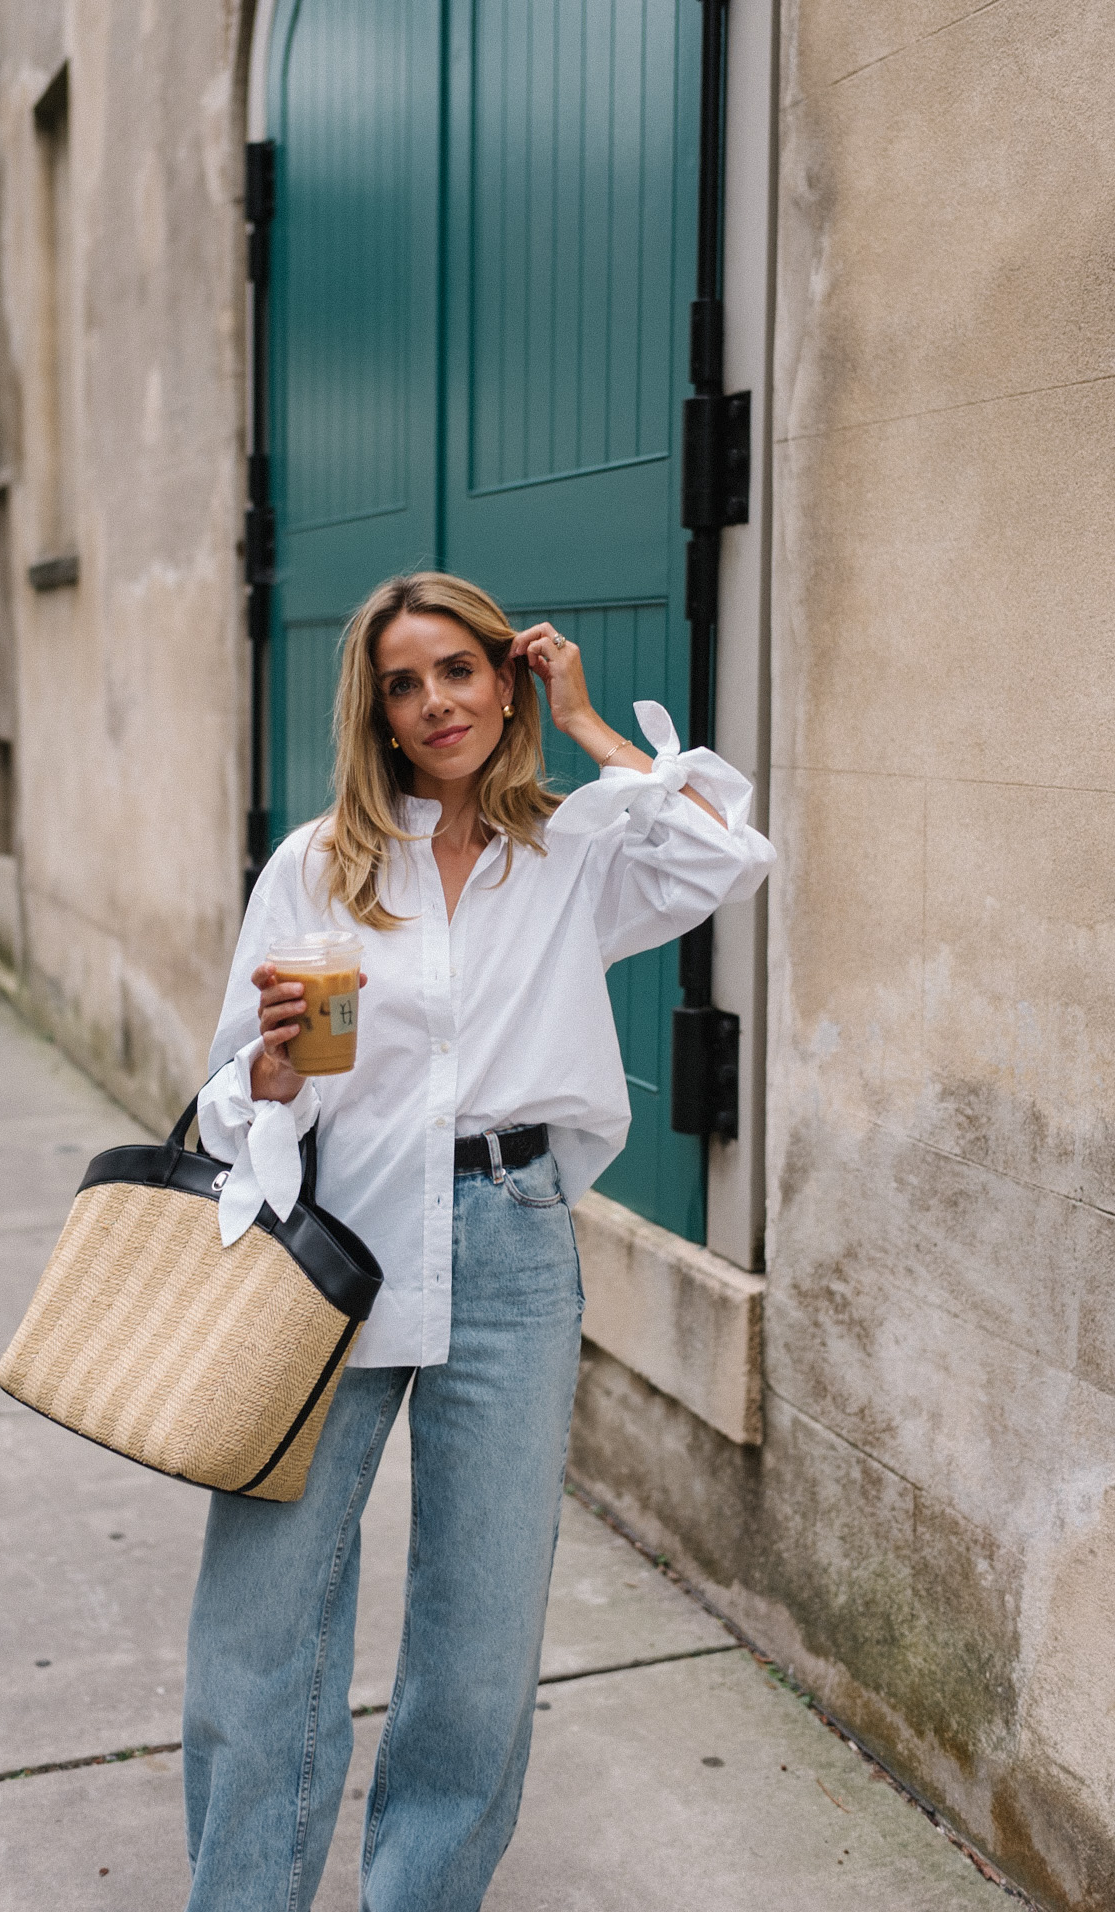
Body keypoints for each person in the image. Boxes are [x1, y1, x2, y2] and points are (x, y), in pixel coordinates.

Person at [184, 571, 774, 1911]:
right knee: (261, 1628)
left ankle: (424, 1892)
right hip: (328, 1248)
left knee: (481, 1638)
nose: (435, 701)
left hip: (510, 1246)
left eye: (460, 668)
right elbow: (227, 1102)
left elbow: (726, 855)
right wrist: (272, 1074)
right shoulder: (318, 863)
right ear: (377, 712)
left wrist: (591, 728)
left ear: (503, 679)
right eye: (404, 681)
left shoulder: (571, 854)